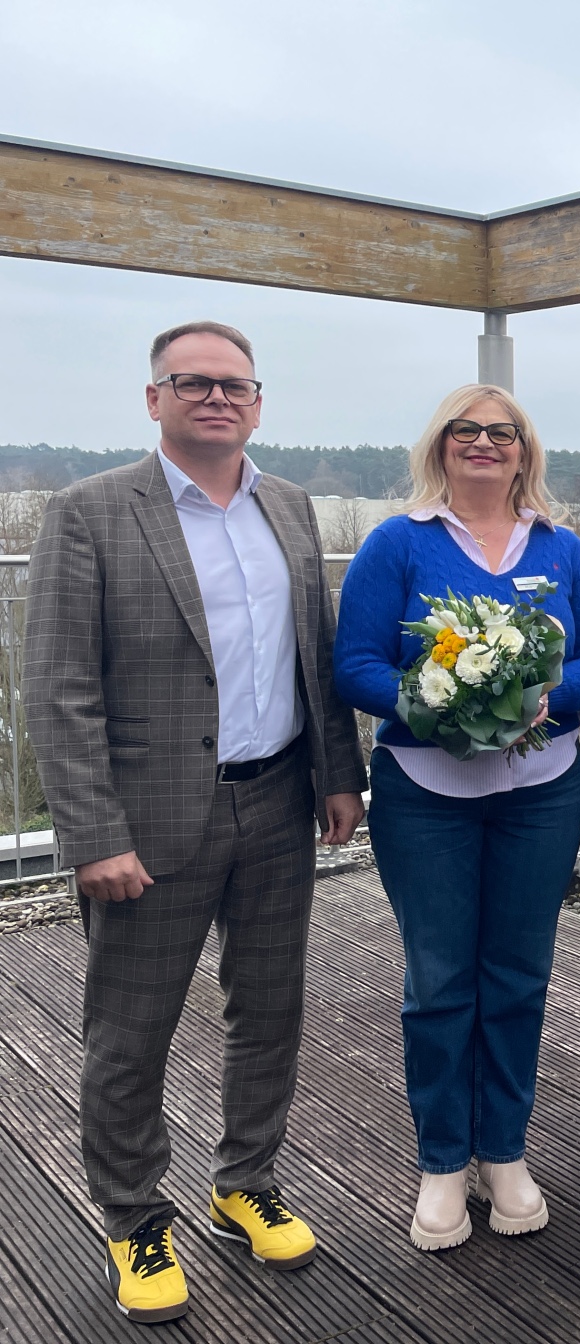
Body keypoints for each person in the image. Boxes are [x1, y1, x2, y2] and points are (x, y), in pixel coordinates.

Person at [24, 321, 366, 1324]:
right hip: (149, 821)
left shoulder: (291, 508)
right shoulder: (90, 513)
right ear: (155, 398)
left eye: (234, 385)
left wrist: (340, 778)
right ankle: (132, 1218)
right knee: (129, 1032)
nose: (216, 399)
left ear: (257, 403)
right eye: (193, 383)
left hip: (276, 802)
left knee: (269, 1011)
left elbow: (317, 659)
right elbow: (59, 690)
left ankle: (243, 1183)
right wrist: (91, 835)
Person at [333, 384, 580, 1253]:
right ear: (443, 445)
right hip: (427, 795)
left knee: (519, 975)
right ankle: (442, 1161)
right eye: (469, 431)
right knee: (440, 980)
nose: (485, 445)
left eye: (503, 434)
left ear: (525, 451)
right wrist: (437, 703)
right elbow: (354, 665)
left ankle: (505, 1153)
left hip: (541, 793)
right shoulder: (398, 543)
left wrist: (547, 699)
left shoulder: (561, 548)